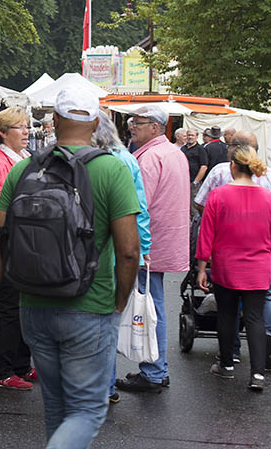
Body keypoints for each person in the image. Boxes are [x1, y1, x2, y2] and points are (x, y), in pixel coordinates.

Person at [0, 88, 140, 448]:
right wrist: (119, 301)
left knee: (56, 407)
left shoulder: (24, 169)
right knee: (87, 410)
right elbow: (129, 251)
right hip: (90, 305)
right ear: (95, 123)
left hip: (33, 305)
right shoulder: (111, 169)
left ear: (54, 121)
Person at [194, 130, 271, 369]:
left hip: (226, 262)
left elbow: (204, 222)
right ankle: (259, 367)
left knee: (227, 313)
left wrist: (202, 266)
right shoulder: (270, 189)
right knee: (258, 313)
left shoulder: (219, 185)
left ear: (234, 162)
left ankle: (228, 359)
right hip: (260, 263)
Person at [117, 105, 190, 393]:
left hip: (148, 244)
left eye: (139, 122)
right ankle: (157, 369)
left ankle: (154, 371)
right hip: (164, 241)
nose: (132, 126)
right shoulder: (174, 153)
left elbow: (135, 206)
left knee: (148, 308)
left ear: (155, 128)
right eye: (132, 122)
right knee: (153, 306)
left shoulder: (148, 158)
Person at [91, 110, 152, 404]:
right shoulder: (126, 158)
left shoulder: (109, 160)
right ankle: (105, 386)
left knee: (104, 321)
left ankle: (102, 387)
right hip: (117, 252)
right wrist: (144, 249)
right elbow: (140, 210)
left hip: (108, 253)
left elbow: (136, 209)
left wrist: (141, 250)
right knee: (108, 321)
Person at [0, 106, 35, 390]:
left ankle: (22, 365)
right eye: (19, 127)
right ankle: (1, 370)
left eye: (26, 126)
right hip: (4, 244)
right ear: (3, 133)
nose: (26, 131)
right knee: (7, 308)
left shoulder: (26, 159)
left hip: (24, 243)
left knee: (23, 307)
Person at [181, 129, 209, 214]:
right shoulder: (183, 148)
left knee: (194, 207)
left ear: (197, 137)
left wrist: (196, 181)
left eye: (192, 135)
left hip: (194, 182)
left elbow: (204, 166)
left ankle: (195, 226)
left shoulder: (200, 149)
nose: (190, 137)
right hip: (183, 182)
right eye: (188, 135)